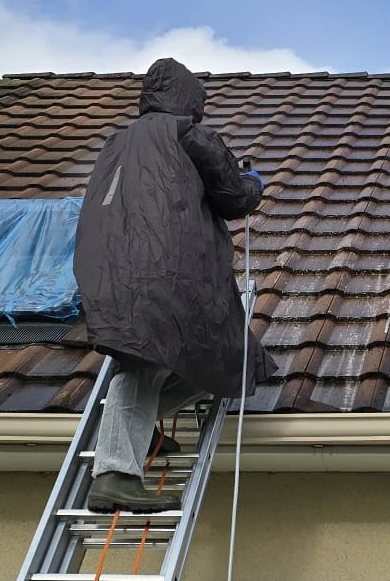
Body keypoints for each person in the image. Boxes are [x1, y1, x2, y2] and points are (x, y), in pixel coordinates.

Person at [74, 57, 269, 512]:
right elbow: (233, 197)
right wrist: (253, 183)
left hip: (108, 270)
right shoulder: (186, 133)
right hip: (165, 271)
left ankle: (140, 428)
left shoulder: (116, 142)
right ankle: (117, 475)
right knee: (146, 360)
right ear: (188, 98)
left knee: (233, 360)